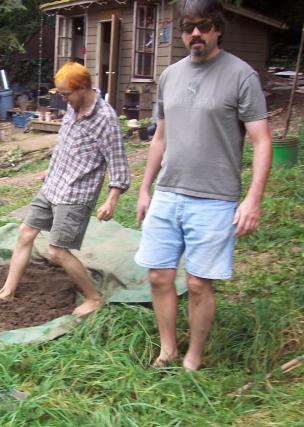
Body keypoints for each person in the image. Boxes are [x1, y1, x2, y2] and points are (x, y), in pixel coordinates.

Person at [134, 0, 272, 371]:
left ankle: (194, 356)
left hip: (214, 198)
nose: (196, 33)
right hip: (168, 192)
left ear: (218, 28)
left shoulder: (241, 76)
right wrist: (145, 189)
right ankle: (168, 351)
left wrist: (253, 200)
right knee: (159, 275)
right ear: (180, 31)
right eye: (188, 26)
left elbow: (262, 140)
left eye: (204, 25)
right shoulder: (169, 76)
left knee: (197, 284)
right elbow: (160, 137)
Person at [0, 62, 130, 316]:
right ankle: (8, 291)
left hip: (77, 192)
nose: (62, 99)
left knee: (57, 250)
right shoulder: (73, 106)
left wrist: (111, 199)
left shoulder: (105, 119)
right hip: (54, 183)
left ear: (82, 88)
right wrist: (51, 168)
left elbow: (118, 162)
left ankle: (94, 297)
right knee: (25, 232)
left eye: (65, 94)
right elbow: (65, 143)